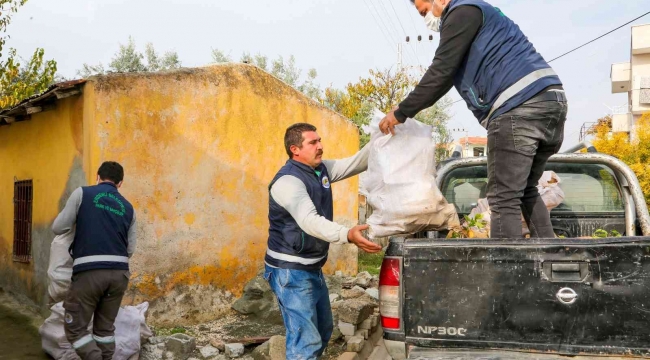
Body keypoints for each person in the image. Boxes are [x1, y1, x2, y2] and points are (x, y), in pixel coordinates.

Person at [379, 0, 567, 239]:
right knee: (526, 190)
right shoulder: (478, 13)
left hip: (518, 106)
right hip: (550, 103)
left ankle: (505, 273)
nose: (426, 18)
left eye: (424, 11)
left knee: (503, 198)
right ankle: (550, 260)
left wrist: (400, 112)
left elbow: (441, 71)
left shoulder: (461, 13)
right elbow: (446, 74)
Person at [264, 123, 382, 359]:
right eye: (313, 142)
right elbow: (310, 221)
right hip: (290, 271)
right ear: (295, 149)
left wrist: (385, 136)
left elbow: (356, 162)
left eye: (320, 141)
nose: (320, 147)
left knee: (323, 330)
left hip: (312, 267)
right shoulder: (288, 182)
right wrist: (347, 234)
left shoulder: (320, 170)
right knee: (305, 343)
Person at [52, 161, 137, 360]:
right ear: (120, 183)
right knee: (104, 330)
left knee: (75, 328)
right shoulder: (129, 208)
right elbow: (130, 250)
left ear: (98, 177)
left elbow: (58, 227)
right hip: (119, 275)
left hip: (89, 273)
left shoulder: (82, 194)